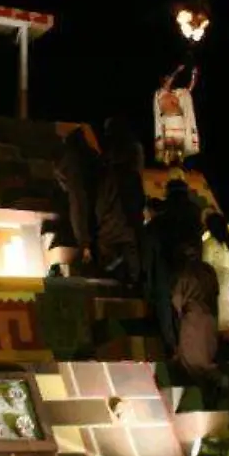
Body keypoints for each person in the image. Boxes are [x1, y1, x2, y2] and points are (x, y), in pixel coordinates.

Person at [143, 176, 205, 354]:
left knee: (167, 308)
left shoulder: (162, 219)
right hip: (191, 270)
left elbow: (152, 247)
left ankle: (173, 347)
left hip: (166, 268)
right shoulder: (194, 215)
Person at [94, 117, 146, 286]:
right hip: (129, 228)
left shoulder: (107, 173)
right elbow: (139, 200)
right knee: (133, 274)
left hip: (111, 228)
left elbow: (102, 204)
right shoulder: (132, 173)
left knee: (109, 270)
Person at [171, 251, 225, 407]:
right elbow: (216, 293)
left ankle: (199, 399)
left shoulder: (184, 272)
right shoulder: (209, 270)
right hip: (210, 318)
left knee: (191, 363)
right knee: (206, 357)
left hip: (192, 319)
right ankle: (212, 395)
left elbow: (176, 300)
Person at [44, 128, 99, 276]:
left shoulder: (73, 166)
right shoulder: (92, 159)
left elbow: (78, 204)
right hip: (93, 231)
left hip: (77, 236)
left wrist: (84, 243)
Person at [202, 213, 229, 343]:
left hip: (219, 284)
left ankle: (225, 351)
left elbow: (206, 267)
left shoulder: (209, 244)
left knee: (221, 324)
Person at [152, 64, 200, 166]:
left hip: (179, 121)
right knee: (170, 147)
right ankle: (168, 167)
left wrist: (194, 75)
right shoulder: (160, 93)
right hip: (169, 121)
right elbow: (167, 84)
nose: (169, 81)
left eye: (169, 79)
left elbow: (189, 89)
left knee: (179, 147)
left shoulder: (177, 93)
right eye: (167, 80)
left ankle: (179, 166)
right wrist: (177, 71)